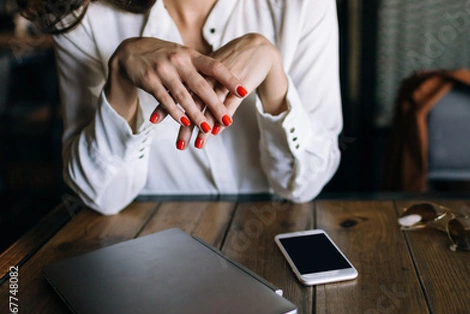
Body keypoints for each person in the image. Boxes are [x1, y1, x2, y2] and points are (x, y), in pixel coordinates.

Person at [17, 0, 343, 215]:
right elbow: (102, 195)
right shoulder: (82, 15)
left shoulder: (304, 6)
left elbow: (304, 184)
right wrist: (120, 78)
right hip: (144, 253)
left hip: (272, 237)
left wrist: (274, 76)